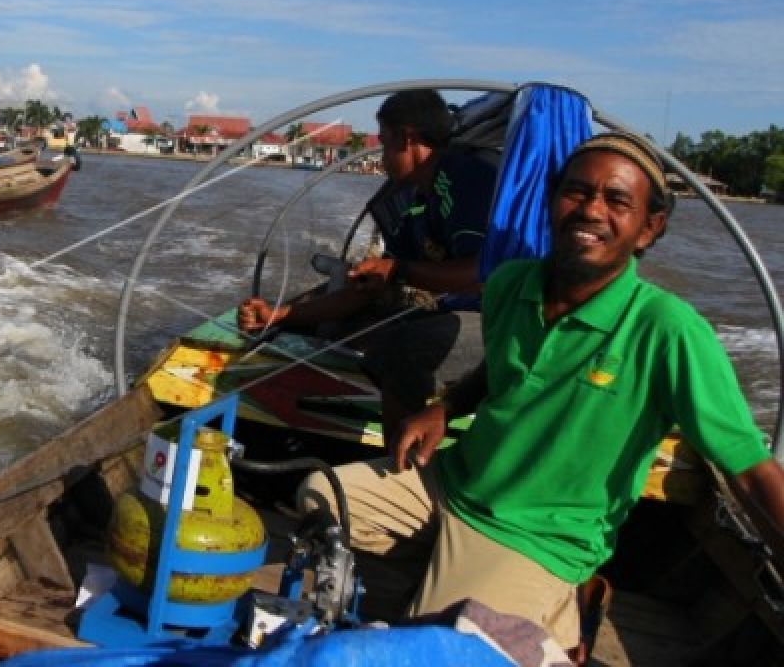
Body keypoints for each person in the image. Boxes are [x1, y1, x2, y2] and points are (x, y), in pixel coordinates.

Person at [297, 132, 784, 651]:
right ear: (553, 203)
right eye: (577, 192)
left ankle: (556, 612)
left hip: (538, 534)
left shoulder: (668, 330)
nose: (591, 210)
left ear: (649, 228)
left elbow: (751, 473)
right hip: (454, 485)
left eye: (617, 200)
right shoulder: (511, 284)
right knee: (320, 495)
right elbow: (501, 370)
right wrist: (446, 407)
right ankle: (446, 584)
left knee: (441, 650)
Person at [238, 89, 499, 428]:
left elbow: (483, 273)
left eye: (386, 143)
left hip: (501, 320)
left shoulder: (466, 175)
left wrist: (398, 270)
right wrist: (281, 315)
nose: (382, 158)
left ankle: (401, 466)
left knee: (402, 348)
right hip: (448, 312)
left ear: (408, 139)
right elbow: (371, 287)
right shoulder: (416, 200)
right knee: (333, 316)